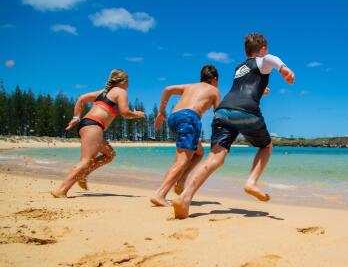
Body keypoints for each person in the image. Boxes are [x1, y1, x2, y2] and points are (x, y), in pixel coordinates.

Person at [172, 33, 295, 219]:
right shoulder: (263, 60)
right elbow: (270, 59)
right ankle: (251, 182)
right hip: (246, 111)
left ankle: (185, 197)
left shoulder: (240, 68)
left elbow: (245, 89)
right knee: (266, 146)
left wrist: (261, 92)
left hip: (223, 112)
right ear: (262, 50)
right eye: (265, 50)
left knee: (215, 158)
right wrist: (284, 69)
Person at [51, 69, 145, 198]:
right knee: (85, 160)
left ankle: (84, 174)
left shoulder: (103, 92)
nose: (128, 84)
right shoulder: (120, 91)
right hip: (93, 125)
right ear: (123, 81)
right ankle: (61, 190)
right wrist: (137, 114)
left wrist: (76, 117)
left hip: (89, 125)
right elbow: (124, 112)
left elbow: (81, 99)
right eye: (128, 81)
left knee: (109, 154)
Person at [150, 65, 221, 207]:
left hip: (174, 118)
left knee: (199, 152)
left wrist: (161, 111)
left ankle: (182, 180)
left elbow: (167, 89)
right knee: (182, 160)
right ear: (214, 79)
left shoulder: (190, 86)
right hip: (189, 119)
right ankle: (160, 194)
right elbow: (219, 114)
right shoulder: (214, 90)